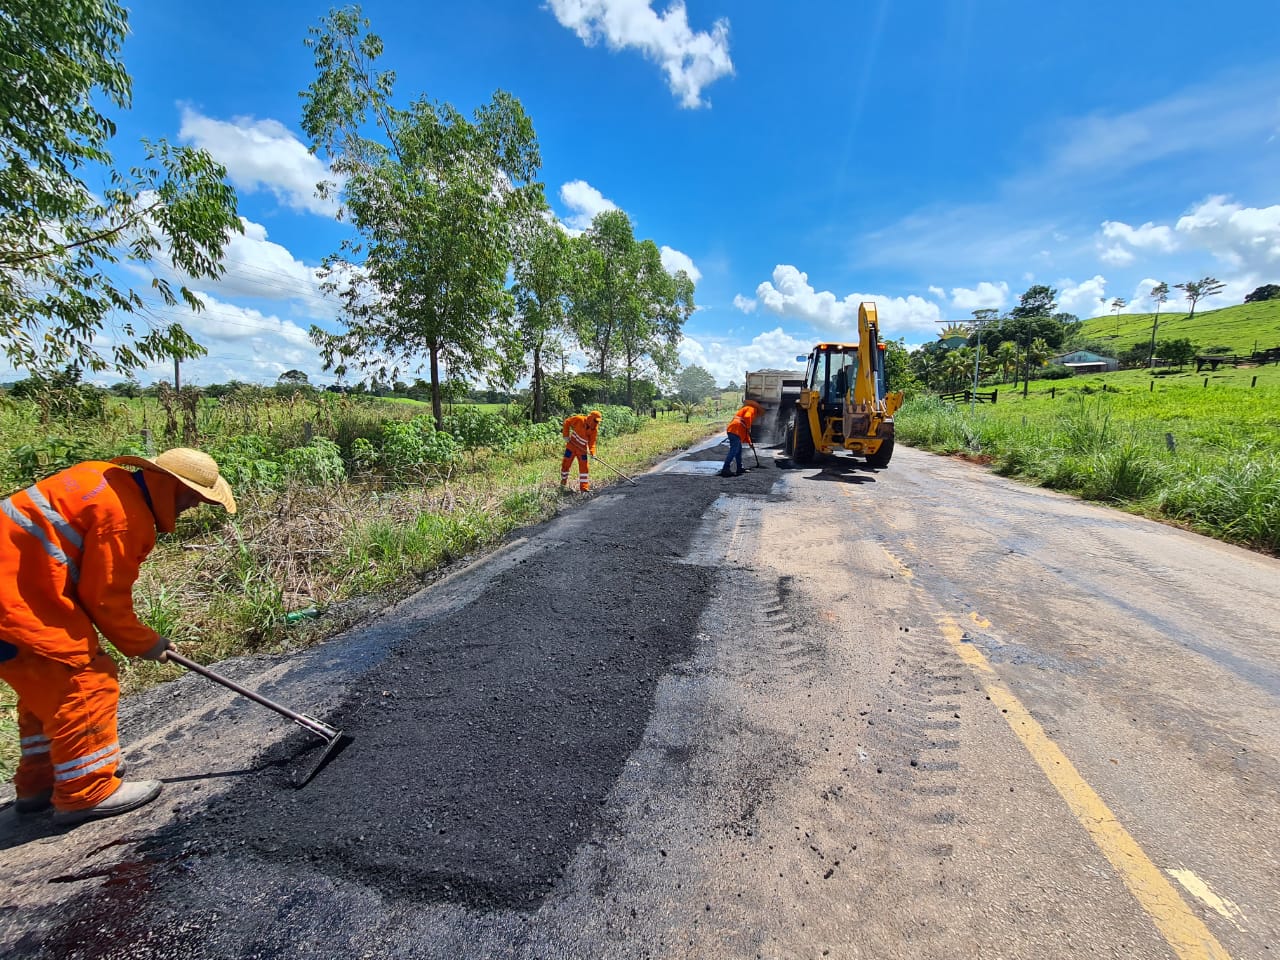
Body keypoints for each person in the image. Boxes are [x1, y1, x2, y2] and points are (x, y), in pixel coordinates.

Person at [0, 447, 237, 827]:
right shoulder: (124, 517)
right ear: (170, 487)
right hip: (16, 602)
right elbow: (105, 600)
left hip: (21, 592)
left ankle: (39, 784)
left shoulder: (98, 476)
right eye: (194, 497)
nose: (193, 506)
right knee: (83, 682)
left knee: (44, 691)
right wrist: (147, 643)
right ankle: (87, 789)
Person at [560, 410, 602, 492]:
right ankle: (563, 483)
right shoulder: (579, 419)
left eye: (598, 422)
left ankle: (584, 488)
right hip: (571, 446)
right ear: (590, 418)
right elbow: (567, 422)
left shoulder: (594, 430)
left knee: (584, 468)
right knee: (566, 464)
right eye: (595, 421)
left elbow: (592, 443)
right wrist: (566, 435)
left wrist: (593, 453)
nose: (596, 423)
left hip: (582, 450)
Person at [719, 401, 763, 477]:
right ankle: (725, 468)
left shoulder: (747, 409)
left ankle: (740, 468)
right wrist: (749, 427)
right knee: (734, 450)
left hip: (735, 430)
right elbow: (747, 417)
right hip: (735, 430)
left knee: (738, 451)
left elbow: (746, 432)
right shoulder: (752, 409)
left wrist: (750, 443)